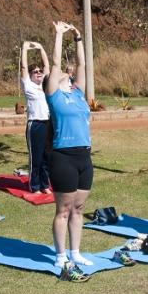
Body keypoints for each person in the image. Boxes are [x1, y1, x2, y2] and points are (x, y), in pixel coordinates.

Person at [45, 21, 93, 278]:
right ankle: (60, 256)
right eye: (62, 73)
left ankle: (76, 252)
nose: (67, 72)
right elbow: (53, 65)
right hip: (63, 156)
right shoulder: (54, 95)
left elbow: (83, 65)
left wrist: (77, 38)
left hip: (84, 156)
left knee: (79, 209)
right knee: (63, 209)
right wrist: (58, 35)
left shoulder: (78, 93)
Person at [20, 41, 52, 194]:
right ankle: (34, 186)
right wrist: (25, 49)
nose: (39, 72)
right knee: (36, 158)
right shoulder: (28, 85)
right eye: (35, 71)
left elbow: (47, 65)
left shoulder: (44, 85)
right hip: (35, 125)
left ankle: (45, 185)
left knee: (47, 157)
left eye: (40, 71)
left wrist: (41, 48)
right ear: (31, 75)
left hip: (47, 124)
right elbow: (24, 68)